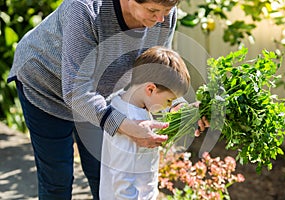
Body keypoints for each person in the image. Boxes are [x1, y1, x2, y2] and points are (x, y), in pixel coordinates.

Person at [7, 0, 209, 199]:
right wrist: (128, 126)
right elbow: (76, 92)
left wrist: (179, 109)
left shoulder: (164, 16)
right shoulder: (85, 9)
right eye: (153, 10)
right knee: (57, 180)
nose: (160, 18)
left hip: (97, 95)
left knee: (103, 173)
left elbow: (157, 73)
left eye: (167, 10)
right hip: (46, 85)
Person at [99, 46, 190, 199]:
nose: (169, 106)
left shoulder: (119, 102)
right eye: (169, 101)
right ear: (150, 89)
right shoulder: (132, 122)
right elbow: (122, 182)